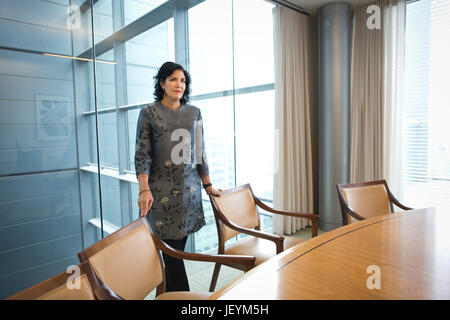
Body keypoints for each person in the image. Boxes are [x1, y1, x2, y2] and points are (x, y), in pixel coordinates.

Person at [134, 61, 221, 292]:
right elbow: (142, 154)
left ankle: (169, 296)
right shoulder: (148, 113)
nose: (178, 84)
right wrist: (143, 189)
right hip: (160, 197)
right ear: (162, 83)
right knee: (173, 256)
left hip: (189, 196)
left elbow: (200, 151)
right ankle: (186, 299)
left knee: (174, 255)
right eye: (173, 79)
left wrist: (208, 184)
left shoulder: (194, 112)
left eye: (182, 80)